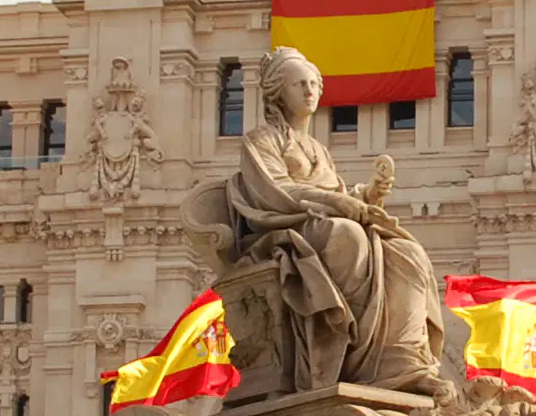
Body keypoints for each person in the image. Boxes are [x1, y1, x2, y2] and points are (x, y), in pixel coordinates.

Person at [190, 47, 444, 397]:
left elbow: (338, 192)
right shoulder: (261, 140)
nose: (309, 91)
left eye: (313, 84)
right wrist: (337, 202)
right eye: (299, 84)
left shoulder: (318, 149)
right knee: (349, 238)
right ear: (279, 92)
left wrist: (367, 195)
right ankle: (350, 357)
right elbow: (275, 192)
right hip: (285, 229)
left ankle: (398, 358)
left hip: (323, 224)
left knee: (407, 252)